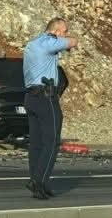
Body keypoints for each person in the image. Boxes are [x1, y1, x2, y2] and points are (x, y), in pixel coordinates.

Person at [22, 17, 78, 199]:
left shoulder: (33, 44)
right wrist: (68, 41)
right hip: (46, 98)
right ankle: (38, 180)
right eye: (64, 31)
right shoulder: (49, 42)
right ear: (56, 31)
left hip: (30, 97)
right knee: (52, 142)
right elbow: (72, 42)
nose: (65, 34)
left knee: (36, 144)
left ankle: (39, 183)